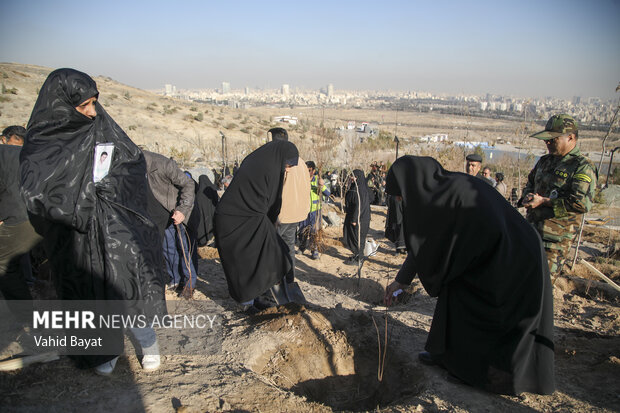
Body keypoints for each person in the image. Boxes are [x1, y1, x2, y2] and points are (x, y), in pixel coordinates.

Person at [20, 68, 166, 375]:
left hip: (115, 229)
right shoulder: (42, 141)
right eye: (84, 105)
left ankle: (147, 341)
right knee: (89, 299)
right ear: (61, 105)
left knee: (127, 289)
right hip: (75, 236)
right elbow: (37, 193)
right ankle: (104, 352)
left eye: (94, 103)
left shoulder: (103, 127)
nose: (92, 111)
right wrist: (83, 194)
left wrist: (108, 186)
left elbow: (133, 163)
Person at [383, 155, 555, 395]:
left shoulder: (448, 194)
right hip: (489, 251)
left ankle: (474, 372)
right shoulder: (437, 191)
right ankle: (445, 355)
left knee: (481, 308)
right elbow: (425, 245)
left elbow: (432, 245)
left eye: (400, 194)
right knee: (454, 291)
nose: (400, 200)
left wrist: (407, 278)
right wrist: (401, 280)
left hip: (512, 254)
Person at [214, 140, 299, 313]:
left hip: (248, 217)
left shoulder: (261, 160)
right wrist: (273, 220)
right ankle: (247, 304)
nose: (288, 170)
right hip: (234, 220)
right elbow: (274, 201)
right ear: (281, 159)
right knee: (244, 262)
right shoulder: (270, 168)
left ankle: (259, 297)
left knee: (270, 255)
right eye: (288, 165)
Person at [520, 114, 597, 281]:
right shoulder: (544, 161)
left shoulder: (582, 166)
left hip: (555, 242)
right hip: (531, 233)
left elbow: (581, 203)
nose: (547, 143)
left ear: (571, 138)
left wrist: (545, 201)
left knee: (542, 287)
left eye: (553, 139)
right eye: (546, 139)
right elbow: (530, 183)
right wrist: (527, 196)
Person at [143, 150, 197, 299]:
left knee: (184, 249)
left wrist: (182, 210)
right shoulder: (132, 166)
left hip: (176, 211)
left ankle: (189, 284)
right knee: (169, 249)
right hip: (158, 216)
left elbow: (188, 184)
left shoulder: (163, 164)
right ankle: (176, 280)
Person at [268, 127, 310, 291]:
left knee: (274, 251)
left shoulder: (281, 160)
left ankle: (275, 283)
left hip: (281, 215)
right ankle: (289, 280)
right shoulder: (300, 161)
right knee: (289, 248)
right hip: (296, 214)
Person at [0, 144, 42, 302]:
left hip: (24, 211)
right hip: (54, 206)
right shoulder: (12, 150)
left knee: (2, 260)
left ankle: (25, 318)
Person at [298, 161, 330, 260]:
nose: (307, 173)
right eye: (305, 170)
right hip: (303, 210)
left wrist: (322, 186)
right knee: (302, 230)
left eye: (309, 170)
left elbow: (328, 193)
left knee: (314, 231)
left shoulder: (318, 180)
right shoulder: (301, 180)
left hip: (315, 211)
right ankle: (302, 246)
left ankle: (314, 250)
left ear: (313, 170)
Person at [343, 169, 371, 264]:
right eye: (351, 176)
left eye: (353, 176)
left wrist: (354, 219)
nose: (351, 178)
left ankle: (359, 259)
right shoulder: (356, 187)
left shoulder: (361, 190)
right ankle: (357, 255)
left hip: (360, 219)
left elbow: (359, 205)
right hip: (355, 217)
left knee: (358, 239)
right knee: (355, 238)